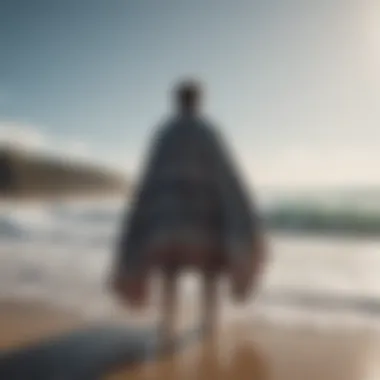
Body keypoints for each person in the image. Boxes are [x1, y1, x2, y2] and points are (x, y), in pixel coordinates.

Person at [111, 79, 266, 346]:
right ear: (198, 101)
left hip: (170, 221)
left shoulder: (165, 134)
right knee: (209, 272)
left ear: (177, 101)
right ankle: (209, 323)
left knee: (170, 272)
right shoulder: (208, 132)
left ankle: (167, 324)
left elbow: (150, 178)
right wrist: (240, 212)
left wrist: (146, 215)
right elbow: (227, 177)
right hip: (204, 220)